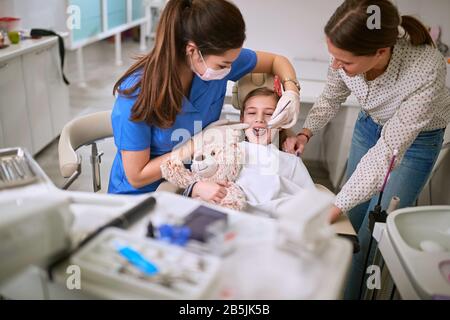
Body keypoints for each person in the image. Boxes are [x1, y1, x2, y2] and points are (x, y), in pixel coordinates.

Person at [283, 0, 450, 299]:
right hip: (369, 124)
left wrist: (330, 209)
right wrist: (306, 132)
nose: (335, 66)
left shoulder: (426, 68)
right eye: (333, 57)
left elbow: (386, 152)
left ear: (380, 52)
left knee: (373, 235)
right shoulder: (346, 55)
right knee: (350, 218)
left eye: (344, 62)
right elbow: (331, 96)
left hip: (416, 141)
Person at [108, 0, 301, 195]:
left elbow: (277, 61)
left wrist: (291, 91)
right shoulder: (136, 94)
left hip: (198, 182)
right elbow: (137, 176)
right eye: (223, 65)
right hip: (142, 198)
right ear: (193, 51)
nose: (229, 70)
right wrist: (195, 144)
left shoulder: (217, 61)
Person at [190, 87, 315, 216]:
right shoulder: (227, 151)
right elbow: (198, 180)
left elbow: (311, 203)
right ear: (242, 119)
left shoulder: (291, 161)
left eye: (269, 114)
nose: (259, 119)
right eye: (251, 113)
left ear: (282, 122)